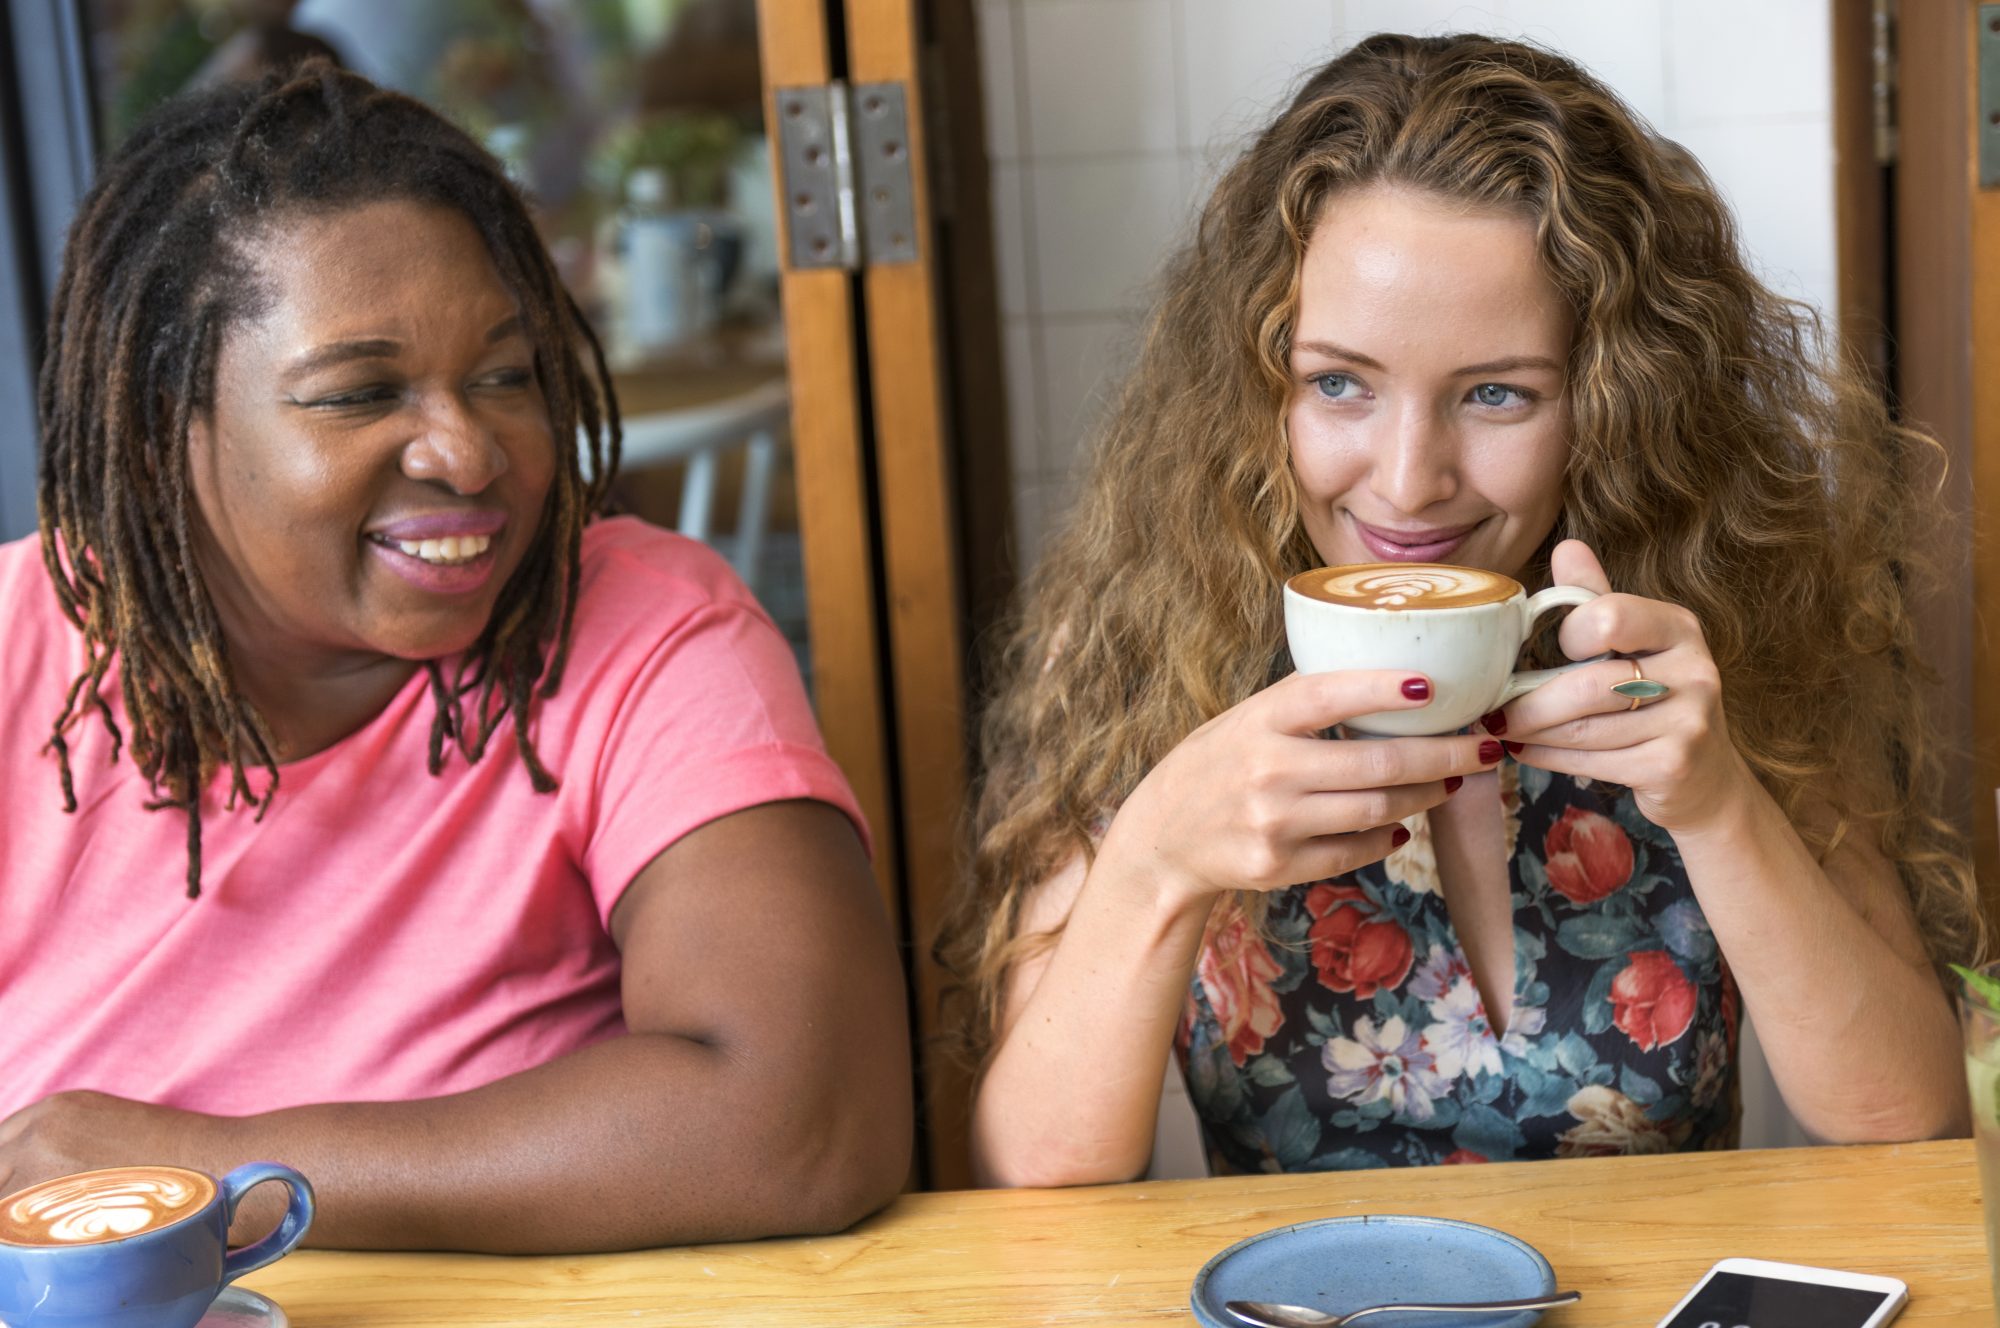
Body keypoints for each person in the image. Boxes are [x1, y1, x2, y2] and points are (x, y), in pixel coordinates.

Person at [944, 32, 1984, 1186]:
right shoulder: (1155, 648)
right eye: (1338, 382)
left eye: (1494, 393)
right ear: (1259, 388)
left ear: (1608, 397)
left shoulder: (1721, 637)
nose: (1405, 478)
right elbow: (1024, 1189)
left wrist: (1717, 801)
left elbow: (1907, 1124)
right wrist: (1151, 860)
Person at [0, 63, 912, 1251]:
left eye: (504, 375)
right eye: (359, 393)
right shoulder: (23, 646)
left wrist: (205, 1169)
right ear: (164, 423)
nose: (468, 452)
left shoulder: (642, 631)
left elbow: (805, 1118)